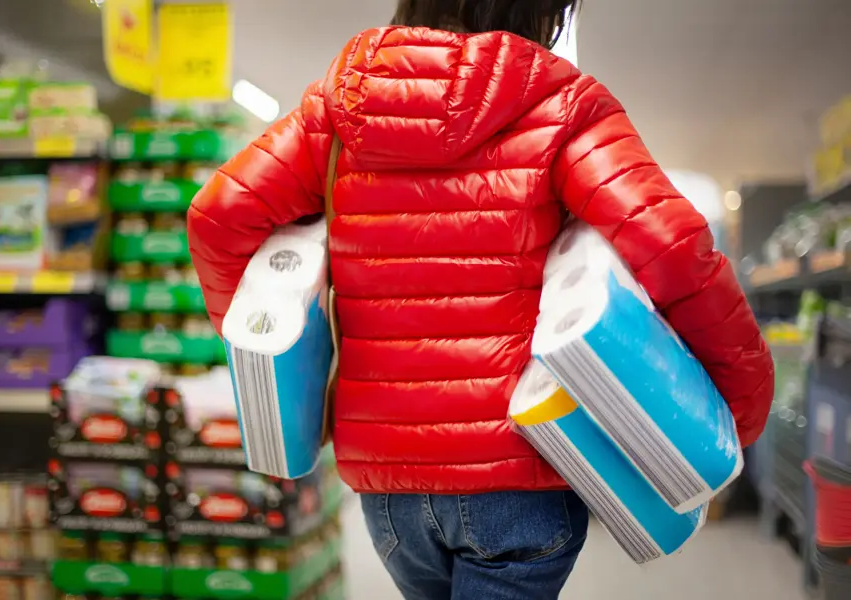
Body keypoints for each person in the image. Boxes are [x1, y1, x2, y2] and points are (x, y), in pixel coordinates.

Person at [187, 1, 775, 597]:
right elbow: (669, 243)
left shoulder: (338, 108)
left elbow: (219, 216)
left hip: (390, 485)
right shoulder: (563, 105)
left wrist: (274, 355)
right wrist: (740, 405)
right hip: (519, 471)